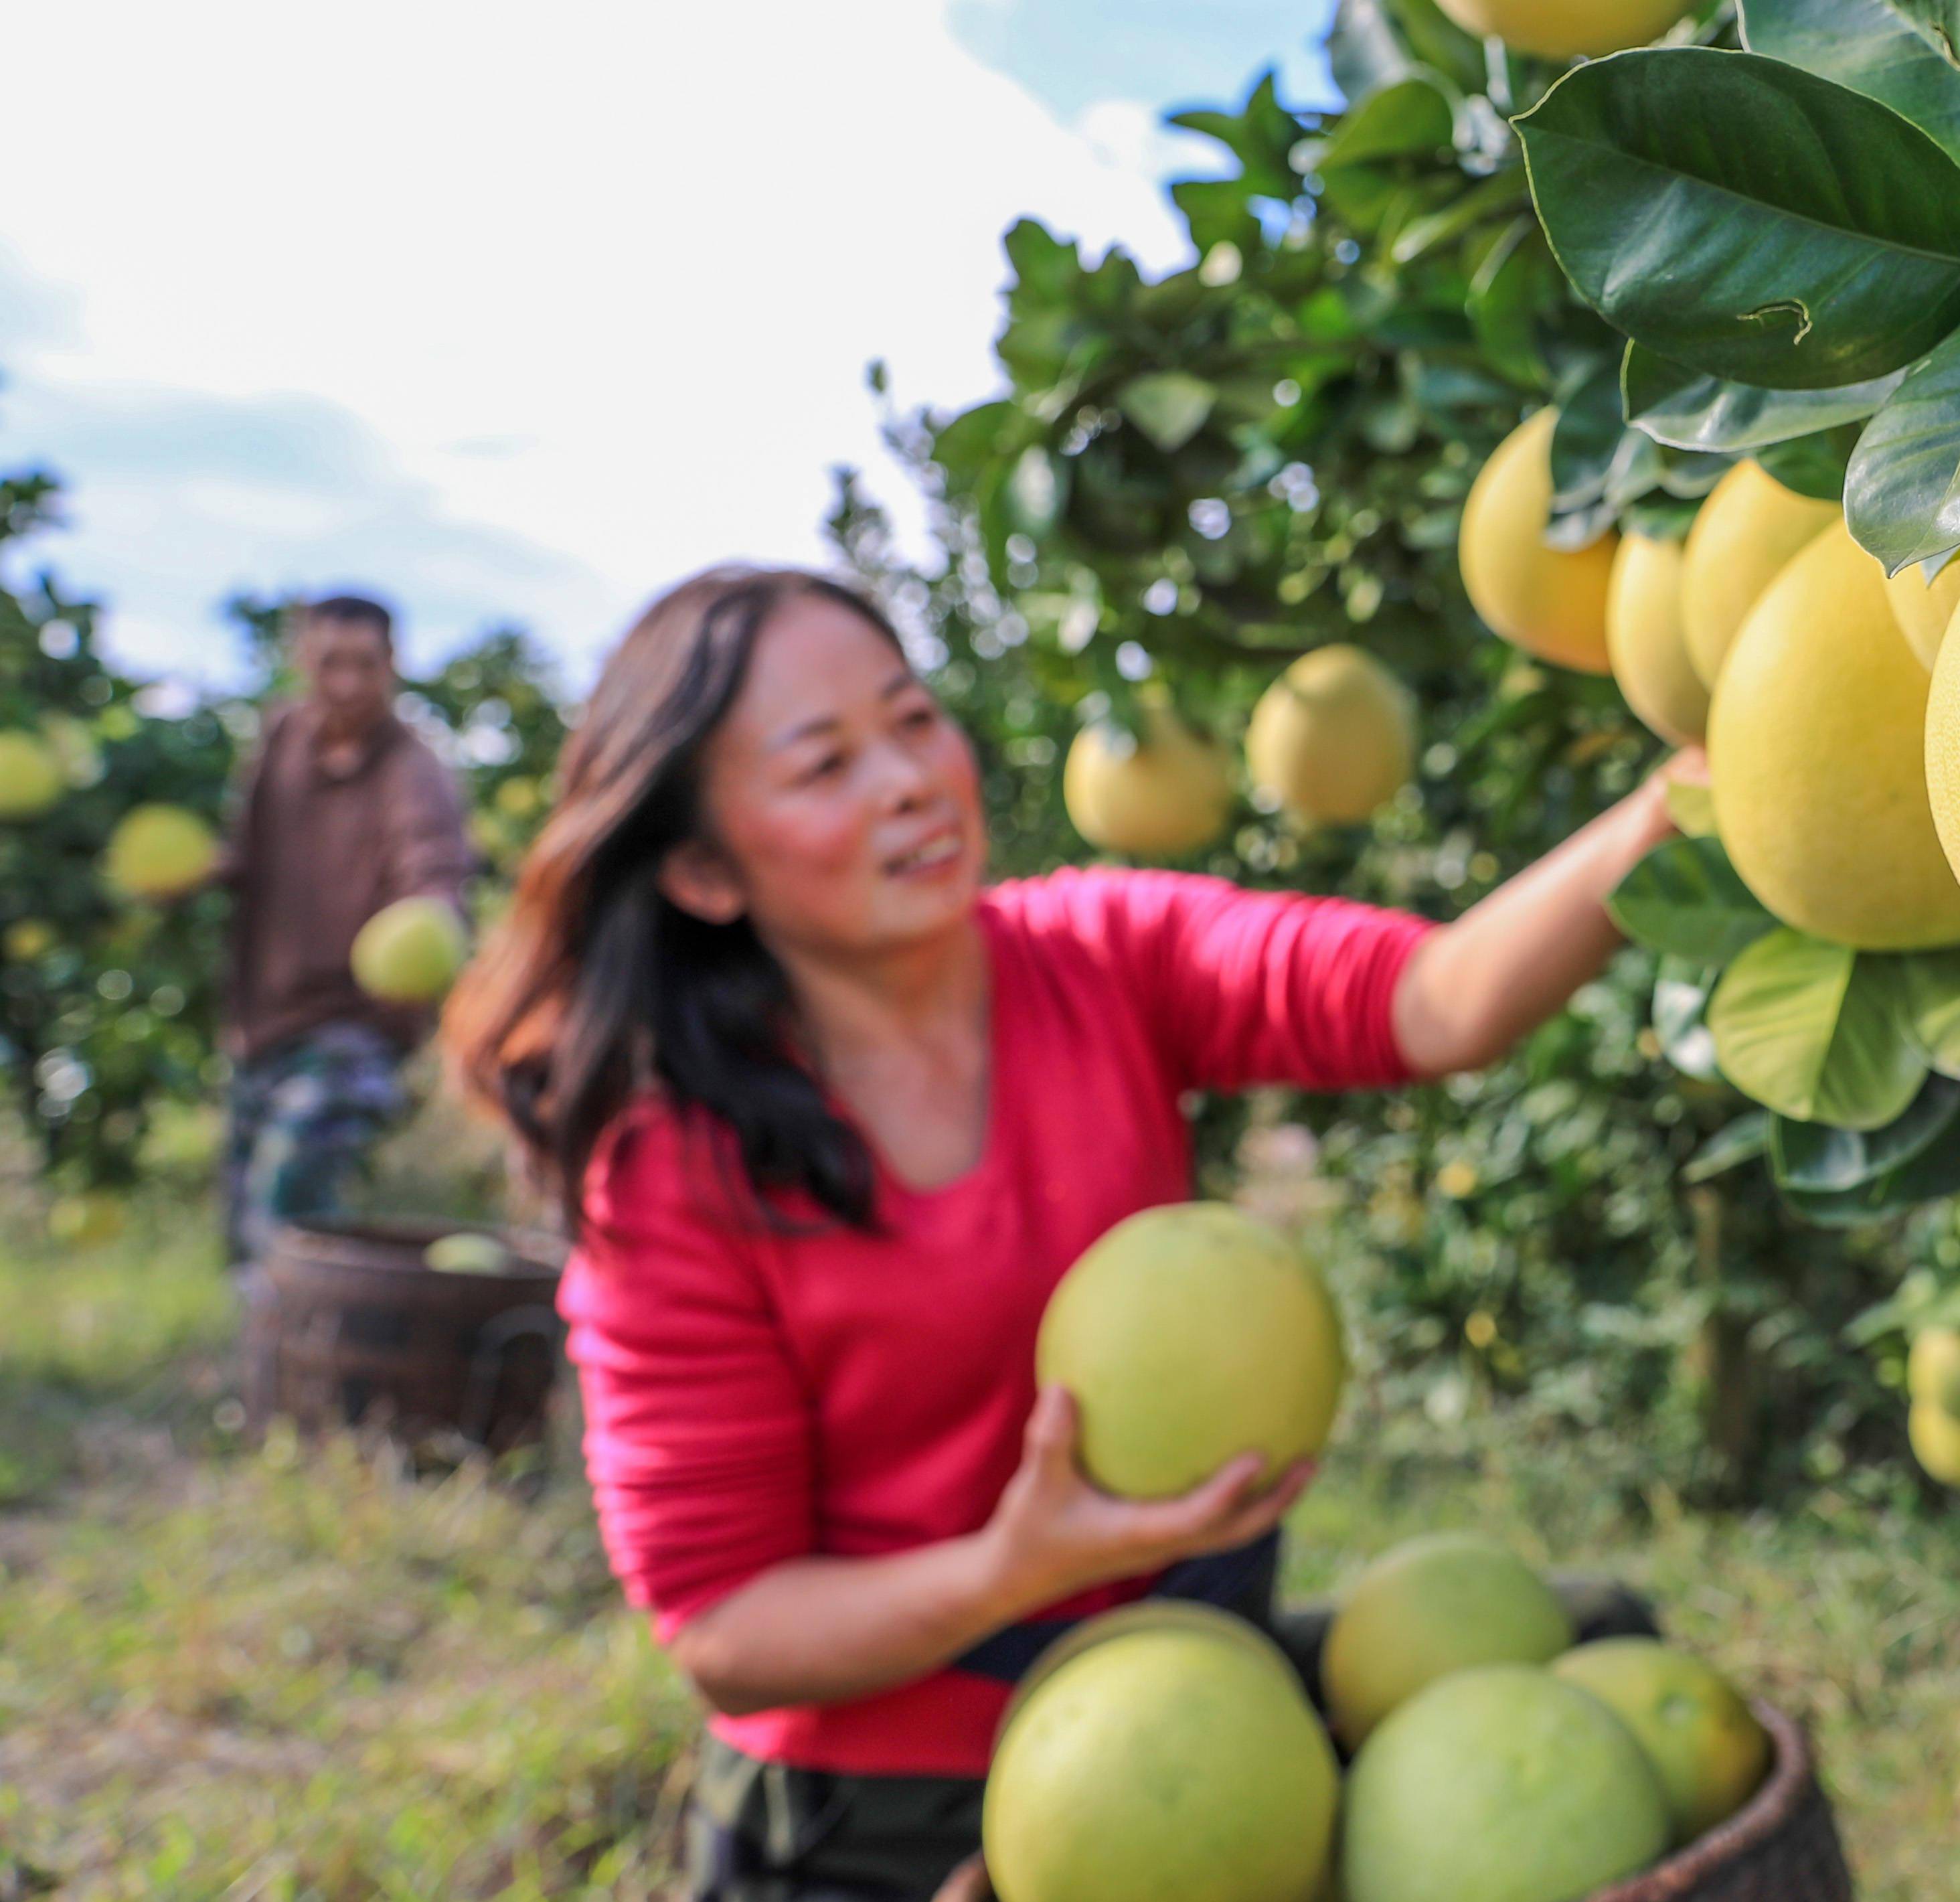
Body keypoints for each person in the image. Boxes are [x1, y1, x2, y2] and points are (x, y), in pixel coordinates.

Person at [443, 566, 1693, 1901]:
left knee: (1600, 1639)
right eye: (824, 765)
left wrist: (1691, 791)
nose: (910, 780)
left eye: (913, 720)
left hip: (1185, 1713)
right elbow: (727, 1627)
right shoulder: (676, 1160)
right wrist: (1008, 1569)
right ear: (700, 867)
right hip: (883, 1801)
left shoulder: (1102, 955)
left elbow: (1432, 1001)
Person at [222, 592, 473, 1270]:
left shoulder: (414, 769)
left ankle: (312, 1358)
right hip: (265, 1022)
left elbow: (435, 865)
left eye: (366, 665)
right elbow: (242, 850)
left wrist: (435, 915)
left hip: (353, 1028)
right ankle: (269, 1365)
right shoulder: (280, 740)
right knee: (244, 1224)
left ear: (394, 664)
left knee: (290, 1201)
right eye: (331, 662)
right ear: (302, 659)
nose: (348, 684)